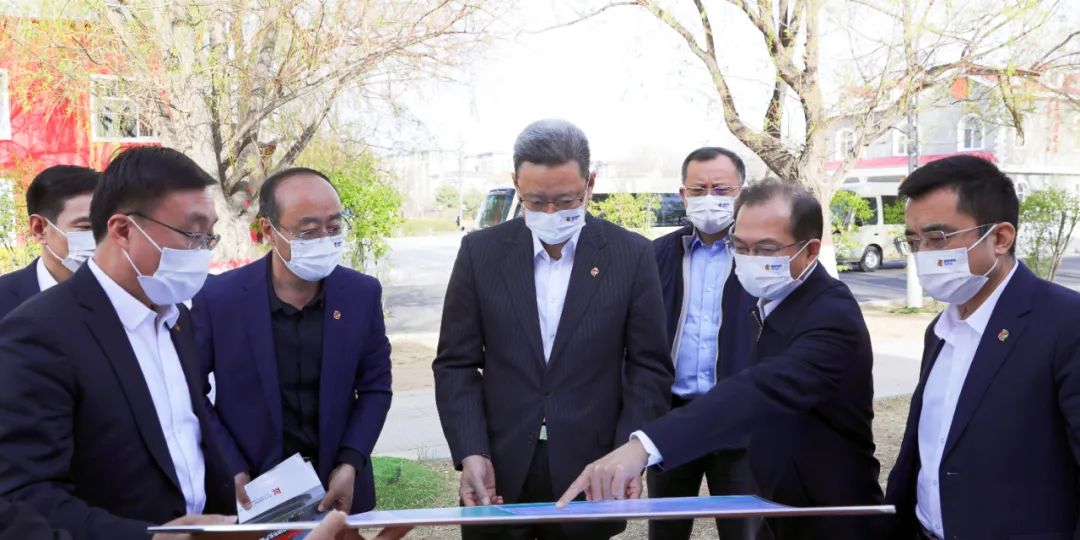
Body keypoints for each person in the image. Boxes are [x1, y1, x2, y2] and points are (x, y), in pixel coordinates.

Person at [558, 179, 884, 539]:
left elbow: (762, 389)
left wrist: (644, 447)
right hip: (780, 510)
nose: (750, 259)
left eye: (766, 249)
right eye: (740, 247)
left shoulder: (831, 314)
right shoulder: (773, 302)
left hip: (832, 518)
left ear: (810, 251)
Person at [433, 119, 673, 540]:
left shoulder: (631, 255)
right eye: (536, 200)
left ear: (590, 184)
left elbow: (648, 368)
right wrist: (470, 450)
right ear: (516, 184)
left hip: (592, 469)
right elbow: (456, 364)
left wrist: (629, 452)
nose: (550, 213)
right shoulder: (480, 253)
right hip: (498, 467)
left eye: (565, 201)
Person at [0, 146, 238, 540]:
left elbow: (186, 443)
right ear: (123, 230)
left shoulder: (177, 319)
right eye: (192, 234)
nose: (203, 252)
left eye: (209, 236)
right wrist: (152, 537)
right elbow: (24, 498)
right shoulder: (38, 334)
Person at [884, 155, 1080, 539]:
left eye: (938, 238)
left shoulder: (1065, 324)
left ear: (1000, 238)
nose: (923, 254)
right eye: (912, 241)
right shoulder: (940, 331)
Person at [193, 167, 392, 515]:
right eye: (308, 231)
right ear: (268, 229)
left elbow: (375, 387)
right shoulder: (220, 299)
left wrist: (350, 462)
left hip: (337, 485)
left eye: (333, 228)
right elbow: (192, 390)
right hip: (252, 488)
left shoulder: (360, 294)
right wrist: (230, 464)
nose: (323, 240)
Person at [649, 147, 757, 540]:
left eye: (721, 189)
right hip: (672, 420)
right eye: (699, 189)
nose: (710, 197)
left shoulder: (760, 254)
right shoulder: (657, 255)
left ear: (741, 192)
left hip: (740, 421)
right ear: (683, 194)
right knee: (666, 530)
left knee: (745, 531)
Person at [0, 165, 99, 320]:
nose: (102, 237)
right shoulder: (4, 299)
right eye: (86, 227)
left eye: (107, 225)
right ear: (39, 229)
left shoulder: (127, 295)